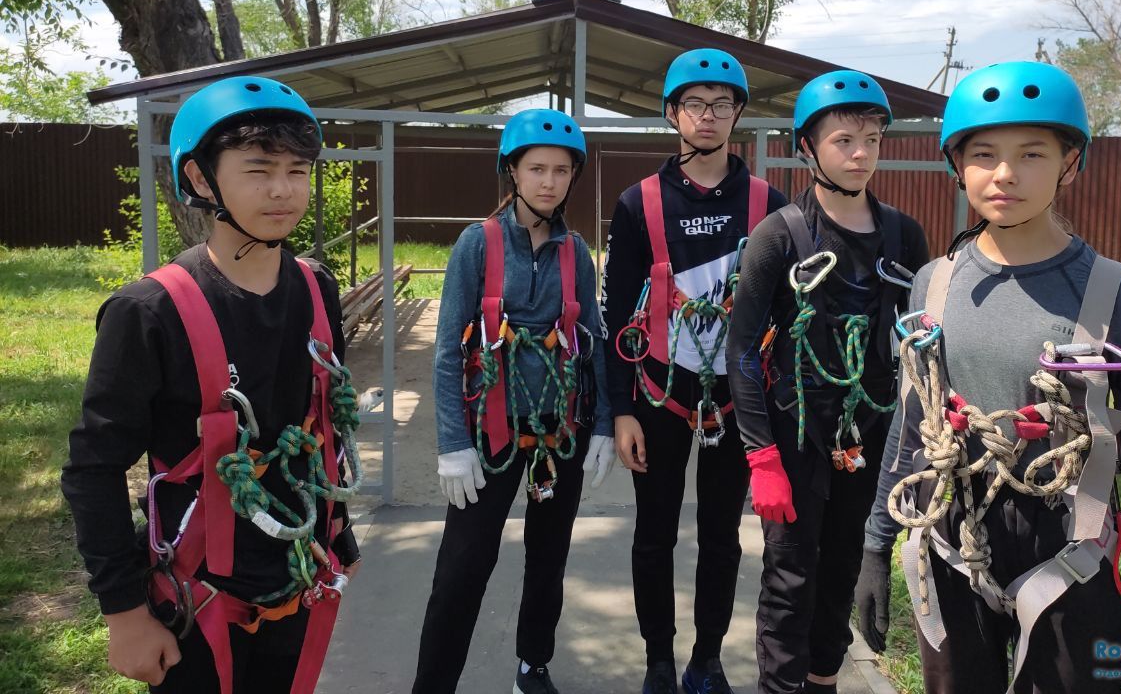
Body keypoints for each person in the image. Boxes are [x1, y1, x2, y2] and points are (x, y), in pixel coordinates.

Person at [854, 61, 1121, 694]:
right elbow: (912, 421)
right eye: (983, 154)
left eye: (1032, 153)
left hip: (1072, 545)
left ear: (1070, 162)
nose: (1005, 173)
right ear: (957, 165)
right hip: (953, 538)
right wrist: (876, 542)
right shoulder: (933, 284)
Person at [62, 75, 362, 694]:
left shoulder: (316, 290)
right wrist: (124, 614)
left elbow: (318, 428)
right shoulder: (150, 312)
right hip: (198, 603)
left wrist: (339, 532)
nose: (283, 190)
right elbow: (94, 467)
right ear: (201, 178)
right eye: (258, 169)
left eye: (298, 170)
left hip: (300, 578)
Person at [725, 70, 929, 694]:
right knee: (790, 579)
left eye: (872, 139)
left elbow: (923, 348)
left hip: (869, 438)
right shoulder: (779, 237)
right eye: (844, 140)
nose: (861, 153)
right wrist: (761, 457)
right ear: (807, 148)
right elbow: (741, 352)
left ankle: (823, 682)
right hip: (796, 438)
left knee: (842, 571)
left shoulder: (904, 236)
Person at [603, 48, 788, 694]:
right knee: (653, 535)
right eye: (694, 104)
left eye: (721, 104)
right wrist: (620, 411)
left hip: (737, 398)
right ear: (672, 114)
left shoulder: (767, 203)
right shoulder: (639, 204)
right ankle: (658, 659)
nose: (707, 115)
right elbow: (614, 317)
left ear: (737, 114)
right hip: (660, 395)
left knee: (721, 537)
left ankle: (706, 660)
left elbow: (785, 312)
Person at [412, 108, 615, 694]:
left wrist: (603, 423)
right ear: (513, 172)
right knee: (463, 565)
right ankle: (433, 684)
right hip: (490, 431)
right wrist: (453, 443)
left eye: (561, 171)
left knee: (549, 557)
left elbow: (594, 341)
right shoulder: (478, 245)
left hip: (561, 429)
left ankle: (534, 662)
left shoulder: (575, 252)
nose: (549, 182)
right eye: (537, 169)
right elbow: (448, 351)